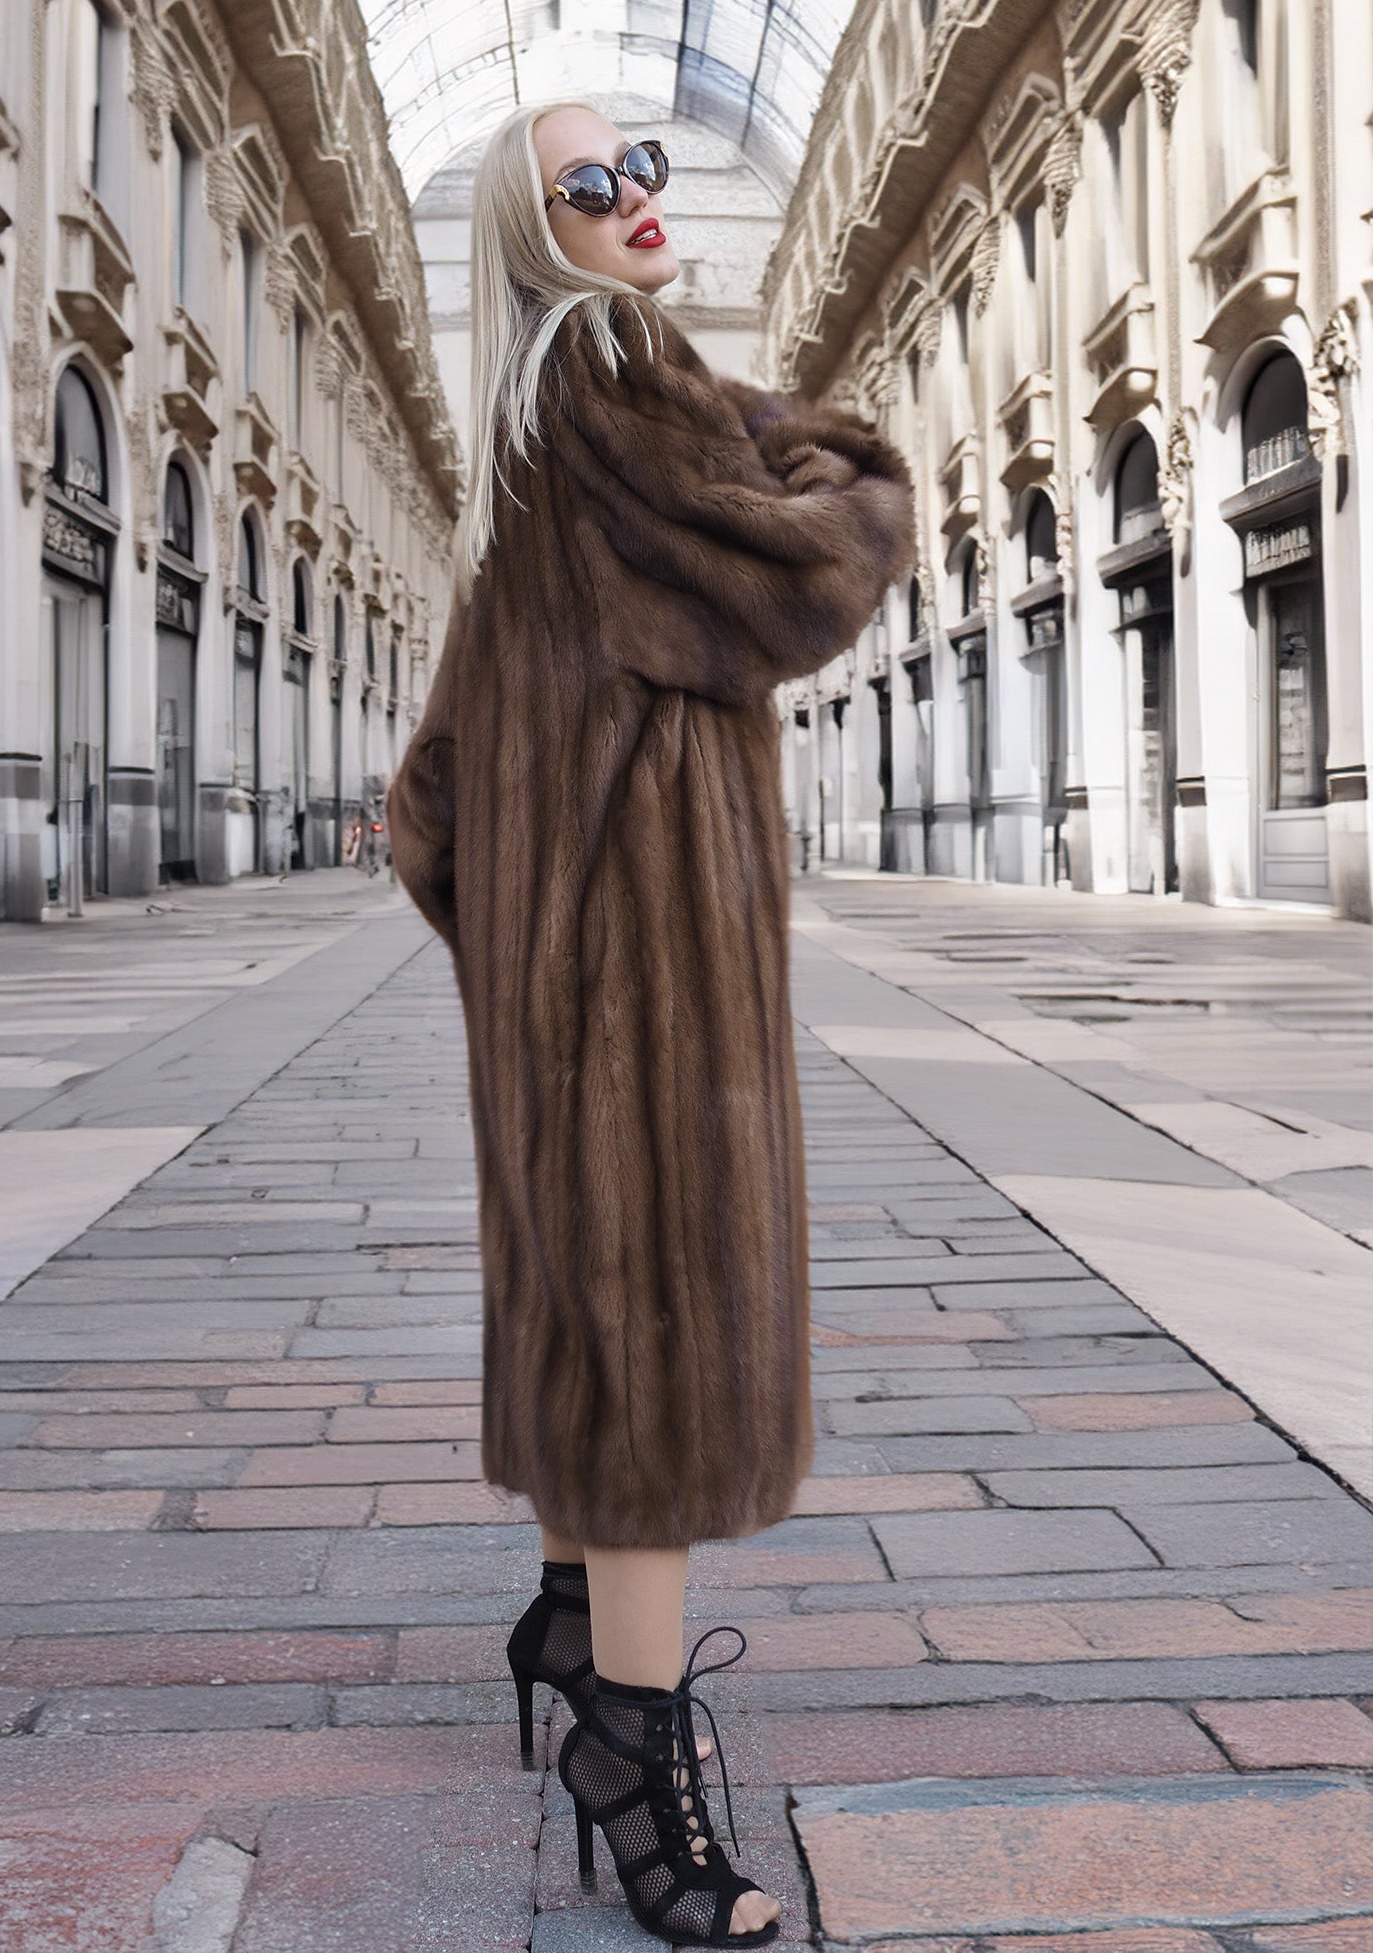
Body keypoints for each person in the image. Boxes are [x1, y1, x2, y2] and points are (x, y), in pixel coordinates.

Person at [388, 101, 913, 1947]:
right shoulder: (616, 384)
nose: (631, 204)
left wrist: (532, 934)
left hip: (570, 967)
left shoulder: (538, 427)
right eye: (584, 190)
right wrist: (838, 448)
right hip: (643, 978)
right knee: (660, 1345)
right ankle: (636, 1754)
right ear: (536, 240)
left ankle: (559, 1608)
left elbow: (430, 795)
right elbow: (809, 570)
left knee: (586, 1311)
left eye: (641, 173)